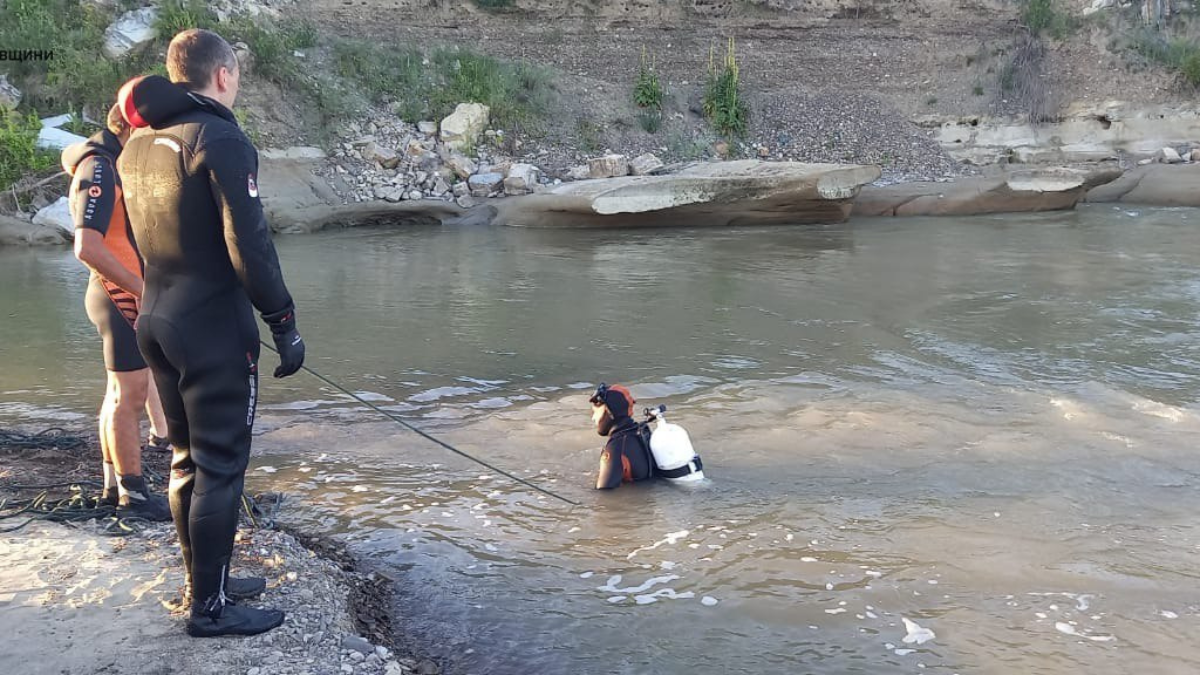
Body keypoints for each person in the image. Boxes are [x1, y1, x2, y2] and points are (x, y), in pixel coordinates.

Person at [116, 28, 305, 637]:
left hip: (156, 317)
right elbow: (249, 245)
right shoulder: (219, 137)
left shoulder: (138, 144)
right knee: (221, 466)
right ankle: (211, 610)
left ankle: (206, 582)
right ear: (222, 75)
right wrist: (283, 321)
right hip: (214, 327)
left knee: (184, 460)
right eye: (237, 76)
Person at [62, 103, 173, 521]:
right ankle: (135, 495)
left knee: (117, 396)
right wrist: (141, 289)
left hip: (115, 294)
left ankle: (114, 486)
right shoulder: (101, 167)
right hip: (117, 297)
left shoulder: (104, 160)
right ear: (132, 128)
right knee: (131, 397)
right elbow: (86, 246)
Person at [589, 384, 656, 490]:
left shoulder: (616, 448)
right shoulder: (641, 432)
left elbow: (603, 496)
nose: (593, 418)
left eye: (595, 412)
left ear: (609, 412)